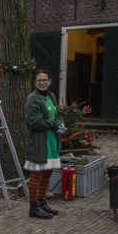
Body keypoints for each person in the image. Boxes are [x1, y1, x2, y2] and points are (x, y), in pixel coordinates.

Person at [24, 69, 66, 219]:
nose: (42, 82)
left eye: (45, 80)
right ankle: (34, 207)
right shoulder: (32, 99)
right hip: (39, 142)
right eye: (39, 80)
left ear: (50, 81)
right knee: (37, 173)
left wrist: (60, 124)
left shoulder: (51, 96)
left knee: (47, 172)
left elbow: (58, 114)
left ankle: (42, 203)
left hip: (51, 140)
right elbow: (34, 122)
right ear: (35, 82)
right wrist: (54, 125)